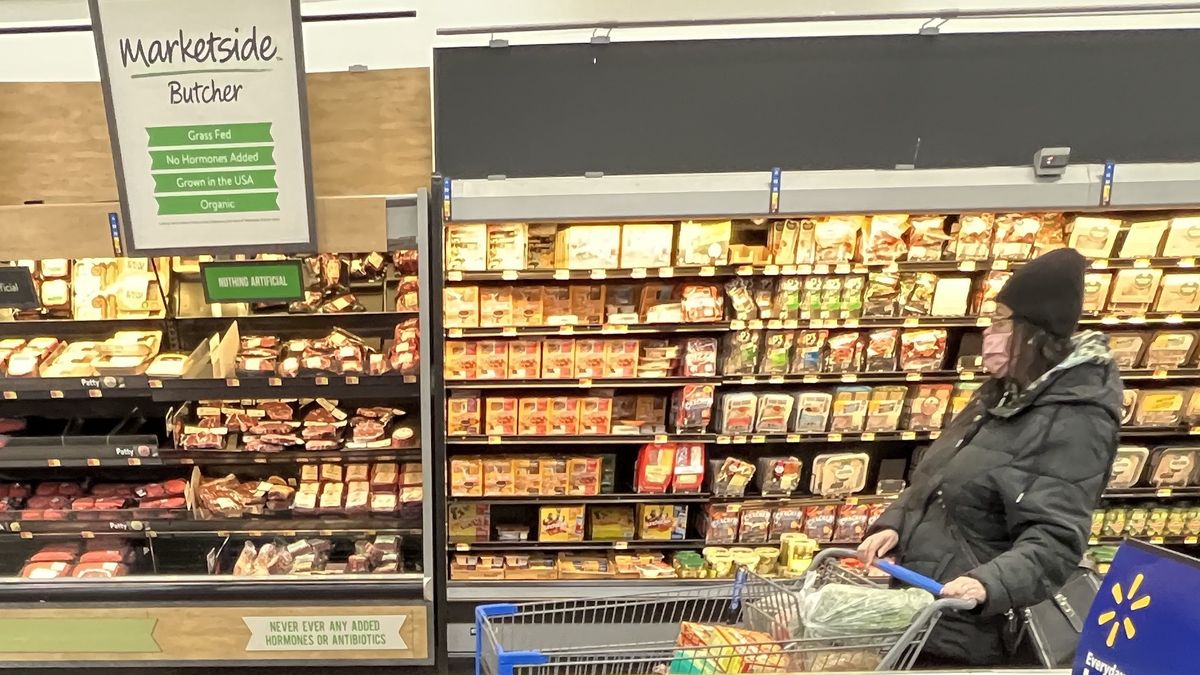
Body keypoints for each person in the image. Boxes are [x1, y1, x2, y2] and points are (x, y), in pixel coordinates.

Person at [857, 247, 1121, 667]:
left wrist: (986, 584)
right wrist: (895, 523)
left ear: (1035, 333)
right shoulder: (999, 395)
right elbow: (938, 478)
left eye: (1000, 322)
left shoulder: (1075, 419)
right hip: (925, 607)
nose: (988, 332)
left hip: (976, 627)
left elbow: (1056, 540)